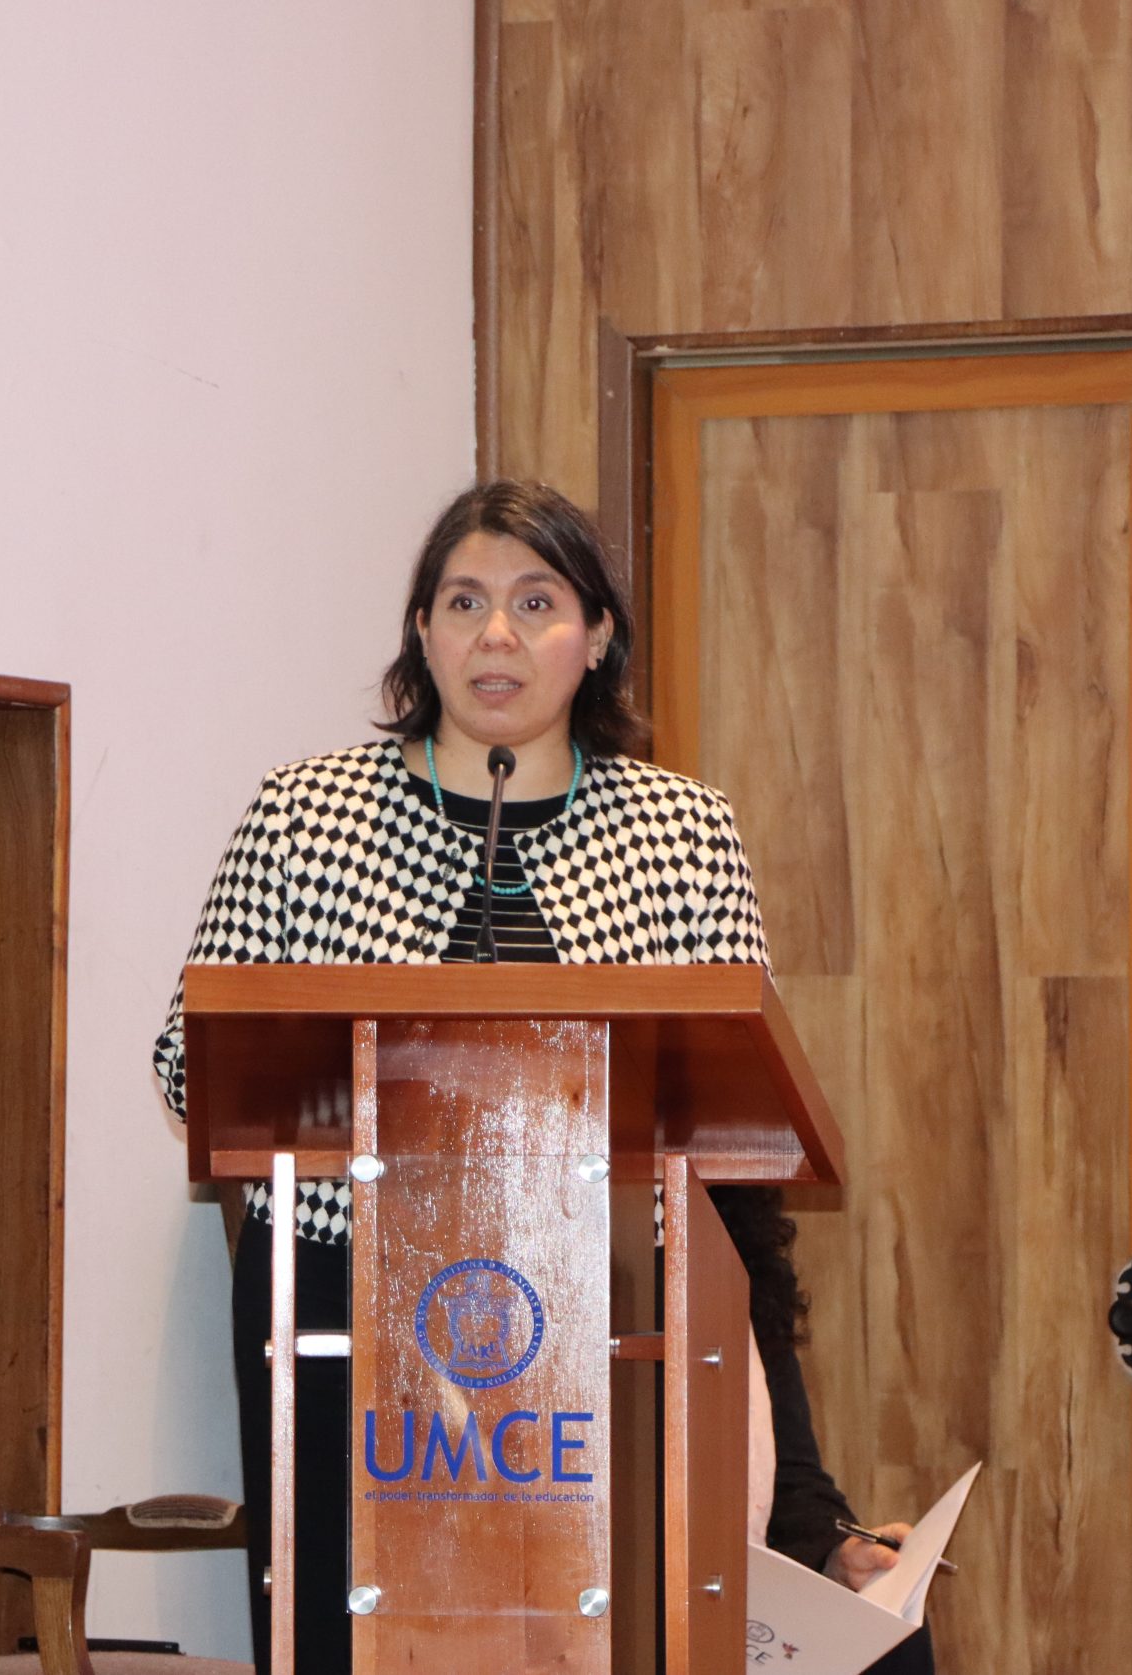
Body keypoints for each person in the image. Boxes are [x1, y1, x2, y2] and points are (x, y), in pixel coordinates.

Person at [152, 480, 932, 1675]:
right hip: (346, 1290)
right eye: (464, 602)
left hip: (615, 1299)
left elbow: (731, 1137)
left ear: (597, 636)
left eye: (535, 603)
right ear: (422, 632)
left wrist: (806, 1501)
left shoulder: (680, 833)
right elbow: (189, 1064)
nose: (497, 637)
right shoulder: (304, 817)